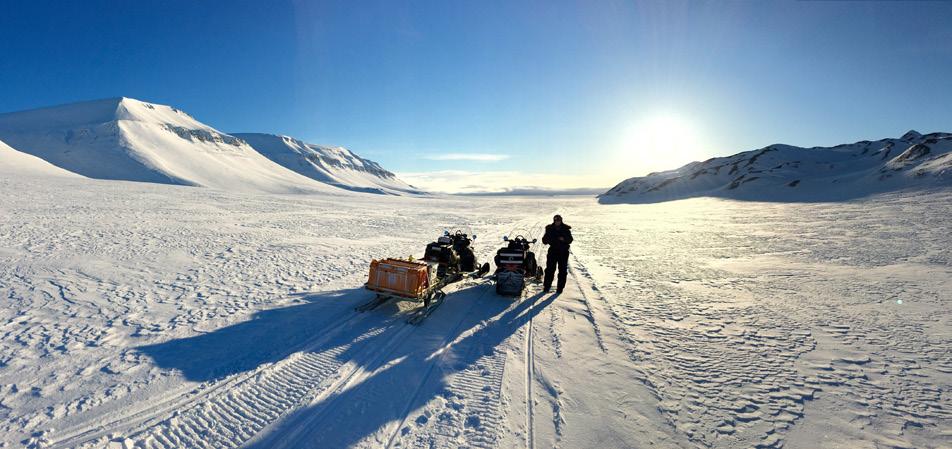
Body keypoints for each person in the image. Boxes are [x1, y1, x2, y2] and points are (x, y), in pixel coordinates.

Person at [542, 214, 572, 293]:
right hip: (553, 251)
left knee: (562, 271)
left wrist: (564, 239)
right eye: (556, 220)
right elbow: (544, 241)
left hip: (563, 252)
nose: (557, 222)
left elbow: (570, 240)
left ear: (561, 220)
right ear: (554, 220)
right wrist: (548, 239)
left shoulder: (566, 229)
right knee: (549, 270)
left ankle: (560, 288)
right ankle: (547, 287)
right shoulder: (549, 228)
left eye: (558, 220)